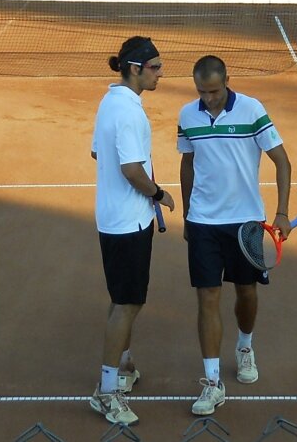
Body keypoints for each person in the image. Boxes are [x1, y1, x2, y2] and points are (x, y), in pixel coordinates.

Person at [177, 55, 292, 416]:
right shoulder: (187, 115)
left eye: (214, 90)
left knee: (246, 292)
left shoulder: (252, 109)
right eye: (202, 91)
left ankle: (244, 346)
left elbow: (282, 161)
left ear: (227, 79)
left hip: (245, 222)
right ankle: (212, 382)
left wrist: (282, 212)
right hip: (203, 222)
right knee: (207, 297)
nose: (209, 98)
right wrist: (187, 215)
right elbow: (187, 162)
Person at [88, 36, 174, 427]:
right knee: (128, 303)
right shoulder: (129, 113)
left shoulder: (111, 102)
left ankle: (123, 367)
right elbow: (131, 170)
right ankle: (107, 392)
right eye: (155, 67)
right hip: (127, 222)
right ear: (135, 68)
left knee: (123, 298)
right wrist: (159, 193)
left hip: (117, 217)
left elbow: (97, 153)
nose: (160, 73)